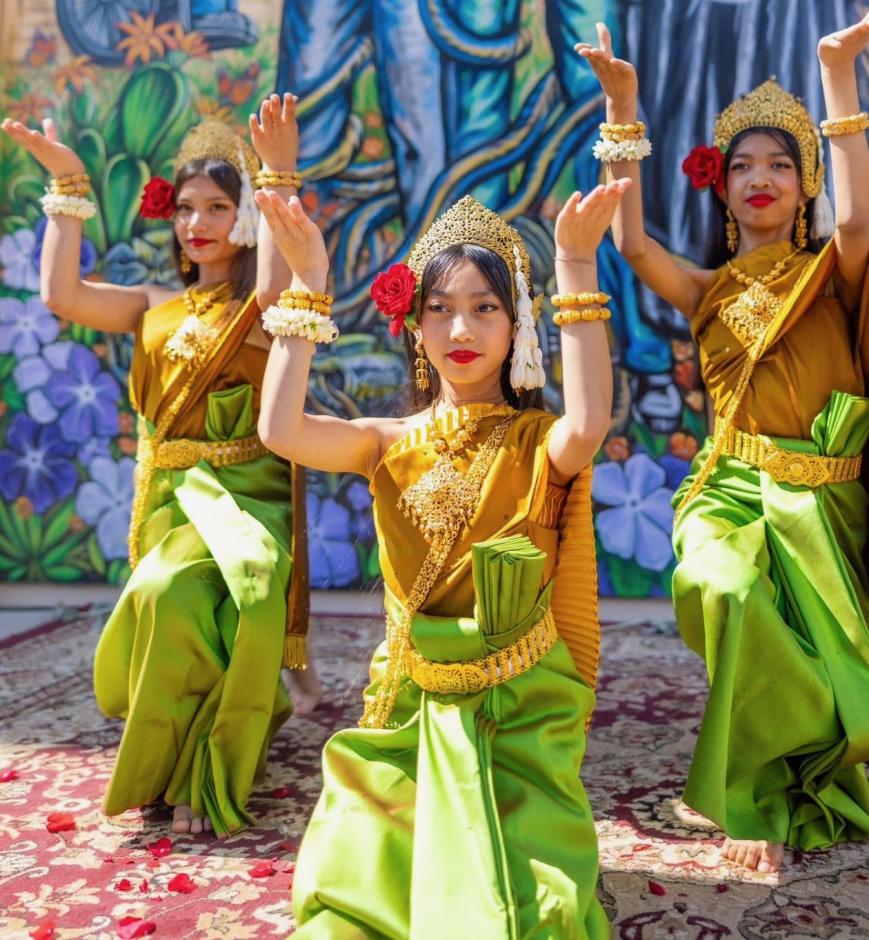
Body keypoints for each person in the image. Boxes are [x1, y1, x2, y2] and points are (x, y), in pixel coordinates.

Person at [254, 174, 627, 936]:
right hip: (412, 708)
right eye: (441, 309)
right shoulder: (383, 443)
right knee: (355, 905)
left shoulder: (538, 441)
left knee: (531, 912)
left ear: (517, 324)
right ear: (415, 327)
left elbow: (588, 423)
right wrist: (307, 286)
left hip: (516, 709)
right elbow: (281, 432)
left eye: (484, 308)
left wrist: (577, 269)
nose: (461, 328)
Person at [578, 17, 869, 873]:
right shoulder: (704, 286)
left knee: (816, 665)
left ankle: (791, 780)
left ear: (805, 183)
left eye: (780, 163)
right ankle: (747, 794)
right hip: (728, 489)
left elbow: (854, 222)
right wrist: (621, 104)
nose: (759, 177)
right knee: (722, 585)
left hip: (824, 502)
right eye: (741, 164)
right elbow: (629, 243)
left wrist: (836, 75)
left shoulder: (833, 274)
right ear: (720, 185)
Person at [0, 93, 315, 837]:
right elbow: (61, 295)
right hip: (173, 501)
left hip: (246, 498)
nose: (196, 224)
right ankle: (169, 766)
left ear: (242, 220)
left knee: (180, 595)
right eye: (184, 208)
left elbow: (276, 289)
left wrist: (276, 177)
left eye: (215, 207)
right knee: (168, 608)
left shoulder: (259, 310)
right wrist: (69, 188)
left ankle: (208, 764)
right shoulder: (153, 305)